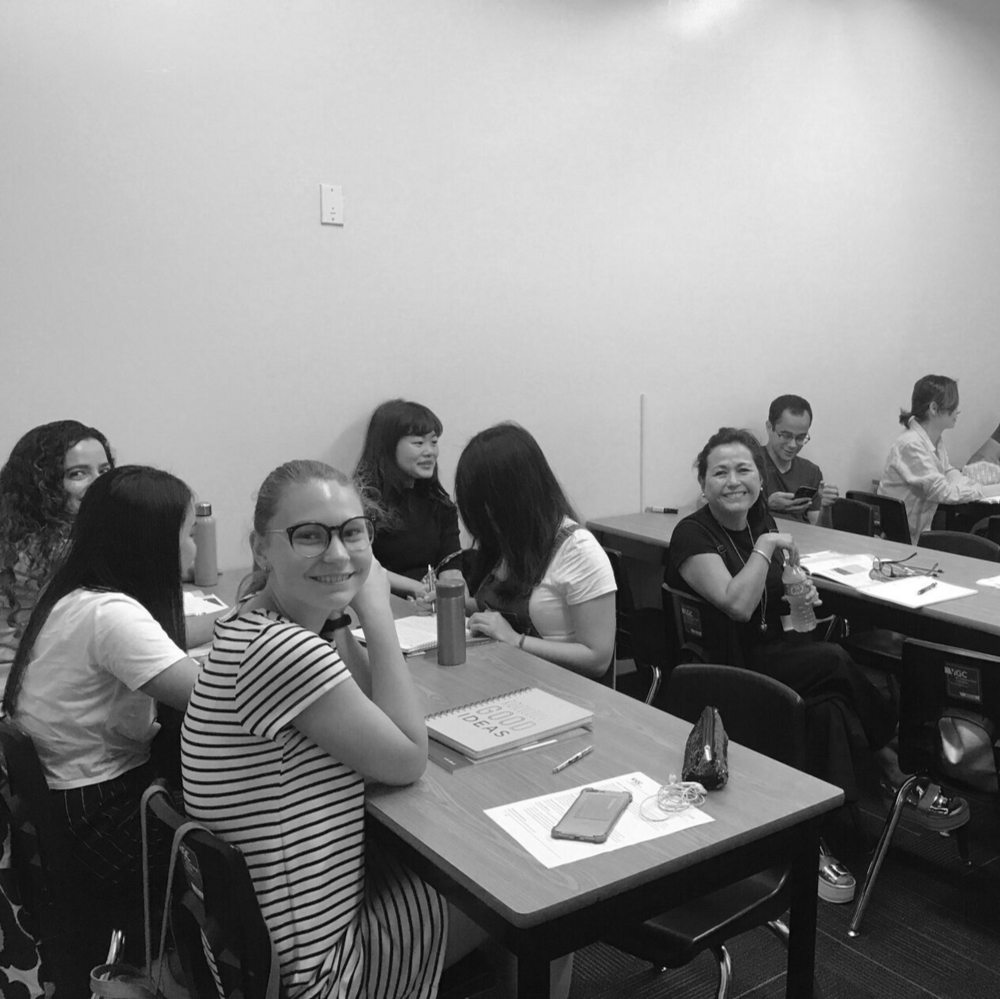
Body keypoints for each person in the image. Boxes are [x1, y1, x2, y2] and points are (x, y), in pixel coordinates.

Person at [181, 459, 490, 999]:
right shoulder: (283, 652)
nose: (339, 554)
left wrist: (340, 615)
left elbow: (372, 708)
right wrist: (376, 612)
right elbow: (406, 758)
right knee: (531, 909)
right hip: (318, 974)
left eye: (352, 533)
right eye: (309, 536)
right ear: (261, 549)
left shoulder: (247, 621)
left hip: (259, 950)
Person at [666, 428, 969, 902]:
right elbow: (737, 605)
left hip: (768, 653)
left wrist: (798, 595)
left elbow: (777, 613)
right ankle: (895, 763)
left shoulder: (758, 521)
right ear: (702, 483)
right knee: (833, 660)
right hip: (725, 671)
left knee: (828, 707)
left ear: (760, 479)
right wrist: (768, 546)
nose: (733, 481)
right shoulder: (693, 534)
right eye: (720, 472)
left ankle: (818, 839)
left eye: (744, 470)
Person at [3, 465, 201, 980]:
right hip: (103, 818)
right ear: (154, 544)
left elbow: (168, 644)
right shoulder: (112, 616)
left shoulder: (79, 596)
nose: (194, 548)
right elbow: (217, 700)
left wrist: (249, 612)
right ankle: (195, 969)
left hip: (70, 803)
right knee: (239, 836)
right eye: (188, 534)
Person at [455, 423, 616, 680]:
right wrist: (454, 604)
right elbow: (498, 607)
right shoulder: (506, 540)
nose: (485, 518)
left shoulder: (578, 551)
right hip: (505, 676)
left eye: (488, 506)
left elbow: (597, 658)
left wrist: (516, 640)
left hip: (562, 689)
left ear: (515, 496)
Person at [0, 420, 113, 688]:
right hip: (17, 691)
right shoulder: (52, 551)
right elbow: (133, 633)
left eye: (105, 471)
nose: (99, 483)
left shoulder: (16, 536)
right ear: (42, 486)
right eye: (78, 473)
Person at [354, 399, 464, 607]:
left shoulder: (439, 504)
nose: (430, 452)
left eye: (434, 442)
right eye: (418, 443)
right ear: (389, 446)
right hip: (380, 605)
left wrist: (447, 592)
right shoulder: (363, 504)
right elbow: (360, 566)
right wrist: (416, 588)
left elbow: (452, 570)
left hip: (431, 606)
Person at [878, 375, 1000, 541]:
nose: (958, 411)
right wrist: (986, 491)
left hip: (917, 533)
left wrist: (975, 486)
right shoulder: (911, 444)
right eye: (954, 405)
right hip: (900, 539)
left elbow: (948, 472)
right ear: (934, 408)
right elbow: (942, 492)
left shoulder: (933, 439)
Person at [762, 394, 838, 525]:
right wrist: (766, 505)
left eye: (800, 438)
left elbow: (820, 532)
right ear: (769, 427)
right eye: (786, 436)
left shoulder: (810, 472)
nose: (792, 445)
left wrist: (825, 507)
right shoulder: (749, 465)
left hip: (802, 536)